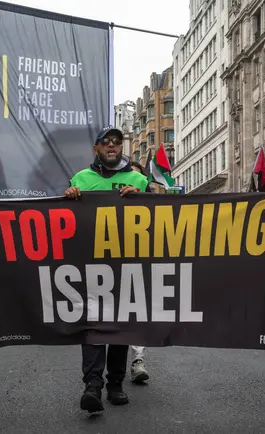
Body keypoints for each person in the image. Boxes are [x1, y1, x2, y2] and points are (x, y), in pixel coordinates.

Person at [64, 126, 150, 413]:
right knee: (92, 326)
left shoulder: (138, 178)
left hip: (125, 265)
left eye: (117, 141)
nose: (112, 145)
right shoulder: (81, 179)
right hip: (88, 265)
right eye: (106, 142)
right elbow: (63, 219)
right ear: (96, 149)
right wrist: (69, 196)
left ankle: (115, 384)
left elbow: (158, 218)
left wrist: (143, 199)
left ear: (122, 147)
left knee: (120, 327)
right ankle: (92, 386)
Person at [127, 160, 150, 384]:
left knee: (135, 315)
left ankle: (138, 360)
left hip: (137, 264)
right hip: (108, 265)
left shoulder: (147, 197)